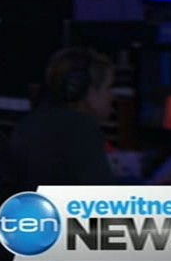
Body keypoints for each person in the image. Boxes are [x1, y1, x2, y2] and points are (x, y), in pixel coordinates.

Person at [10, 47, 116, 189]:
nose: (112, 96)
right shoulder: (81, 129)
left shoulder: (29, 123)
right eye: (109, 87)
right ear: (84, 90)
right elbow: (103, 198)